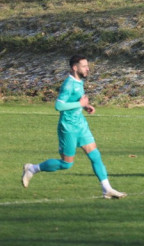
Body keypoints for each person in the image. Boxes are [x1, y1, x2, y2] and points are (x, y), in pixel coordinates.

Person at [21, 55, 126, 199]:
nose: (88, 69)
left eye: (87, 66)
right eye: (84, 66)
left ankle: (107, 189)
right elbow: (59, 106)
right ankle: (32, 168)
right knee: (66, 164)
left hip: (81, 125)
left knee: (95, 155)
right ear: (75, 68)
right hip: (68, 128)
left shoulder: (79, 81)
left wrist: (86, 106)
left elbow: (76, 101)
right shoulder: (68, 84)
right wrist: (80, 104)